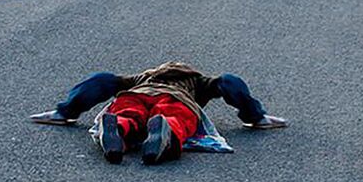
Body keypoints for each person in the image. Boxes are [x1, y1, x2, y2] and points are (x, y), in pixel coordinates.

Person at [31, 62, 287, 165]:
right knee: (176, 119)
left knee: (129, 113)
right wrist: (256, 116)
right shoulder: (198, 81)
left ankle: (118, 127)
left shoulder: (141, 77)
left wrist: (65, 111)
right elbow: (229, 83)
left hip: (136, 94)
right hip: (177, 99)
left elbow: (102, 81)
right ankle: (165, 129)